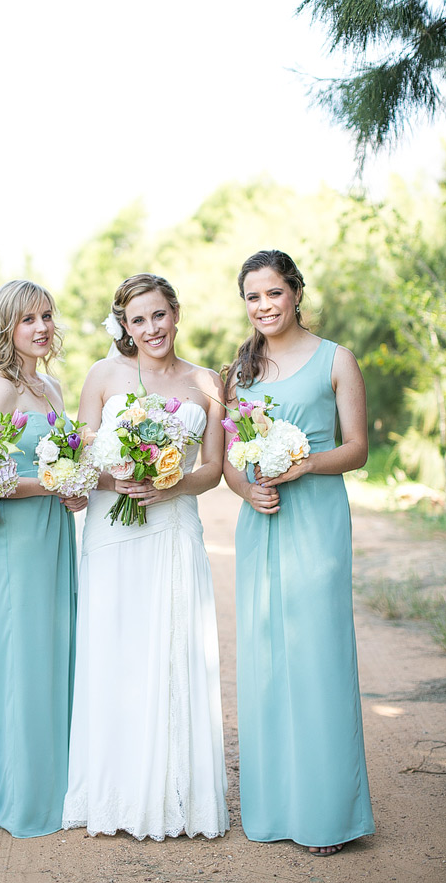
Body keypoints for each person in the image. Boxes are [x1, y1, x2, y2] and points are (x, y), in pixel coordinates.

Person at [62, 273, 230, 841]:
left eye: (159, 315)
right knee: (115, 652)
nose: (151, 328)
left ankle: (175, 796)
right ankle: (115, 792)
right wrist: (123, 473)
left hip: (174, 527)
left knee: (172, 652)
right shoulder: (103, 376)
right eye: (139, 320)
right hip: (113, 531)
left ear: (176, 314)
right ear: (125, 327)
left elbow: (211, 469)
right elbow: (83, 458)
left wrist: (170, 484)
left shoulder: (207, 381)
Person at [223, 249, 375, 856]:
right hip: (261, 523)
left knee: (318, 659)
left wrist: (303, 463)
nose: (264, 306)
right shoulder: (239, 372)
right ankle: (273, 807)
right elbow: (233, 459)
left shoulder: (337, 359)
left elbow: (358, 448)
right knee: (266, 662)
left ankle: (327, 815)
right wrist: (250, 487)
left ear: (295, 293)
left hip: (315, 520)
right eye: (253, 297)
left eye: (273, 293)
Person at [0, 279, 81, 838]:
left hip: (58, 534)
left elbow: (62, 467)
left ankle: (60, 785)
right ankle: (21, 794)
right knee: (23, 658)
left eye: (46, 316)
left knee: (57, 652)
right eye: (27, 320)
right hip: (18, 541)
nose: (41, 328)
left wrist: (74, 487)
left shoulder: (55, 388)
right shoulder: (0, 388)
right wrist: (51, 483)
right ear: (6, 328)